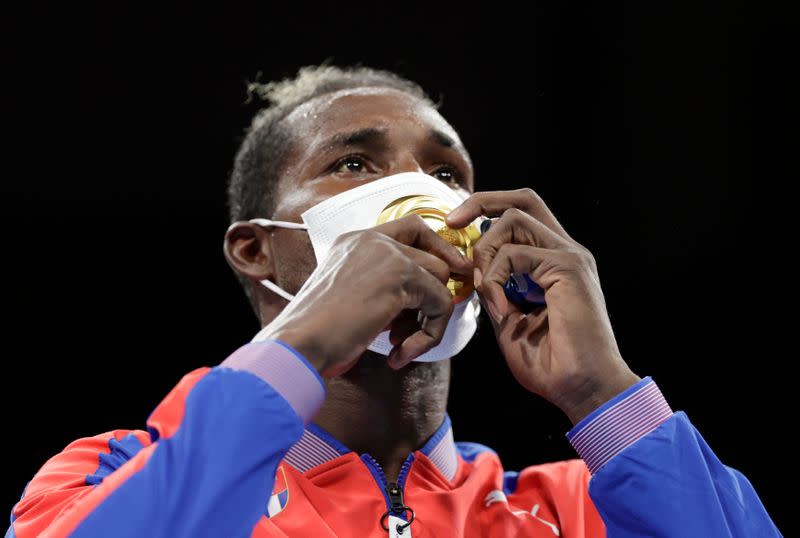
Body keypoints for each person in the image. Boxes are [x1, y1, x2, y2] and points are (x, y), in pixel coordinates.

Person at [6, 64, 781, 538]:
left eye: (448, 175)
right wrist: (303, 345)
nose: (417, 195)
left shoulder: (586, 505)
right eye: (352, 163)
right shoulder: (103, 476)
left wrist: (603, 393)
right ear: (258, 248)